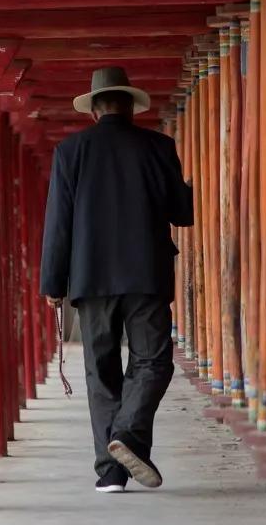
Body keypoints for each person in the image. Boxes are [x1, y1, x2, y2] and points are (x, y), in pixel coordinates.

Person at [40, 66, 194, 494]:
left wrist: (53, 282)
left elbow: (59, 223)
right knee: (153, 361)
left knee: (101, 370)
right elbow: (181, 214)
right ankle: (127, 434)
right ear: (130, 107)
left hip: (90, 277)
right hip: (146, 273)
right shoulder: (158, 147)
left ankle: (111, 472)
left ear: (94, 111)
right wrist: (186, 187)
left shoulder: (70, 151)